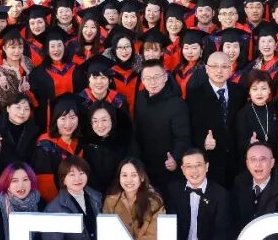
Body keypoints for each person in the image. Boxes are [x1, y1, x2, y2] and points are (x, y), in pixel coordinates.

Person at [164, 149, 233, 240]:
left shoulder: (221, 194)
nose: (194, 170)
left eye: (198, 165)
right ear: (182, 169)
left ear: (207, 167)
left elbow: (221, 233)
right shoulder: (173, 190)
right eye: (188, 166)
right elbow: (170, 229)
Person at [42, 155, 104, 240]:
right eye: (71, 174)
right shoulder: (53, 209)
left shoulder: (96, 198)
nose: (78, 178)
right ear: (63, 179)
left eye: (81, 173)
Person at [102, 158, 166, 240]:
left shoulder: (154, 201)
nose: (129, 180)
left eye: (134, 175)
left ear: (141, 177)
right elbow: (107, 235)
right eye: (124, 175)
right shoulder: (111, 201)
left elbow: (153, 239)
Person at [187, 51, 248, 186]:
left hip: (235, 160)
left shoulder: (239, 92)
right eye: (214, 66)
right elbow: (191, 127)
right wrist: (203, 141)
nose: (219, 71)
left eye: (224, 66)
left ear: (230, 69)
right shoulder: (195, 95)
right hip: (210, 160)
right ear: (207, 69)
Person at [133, 59, 191, 188]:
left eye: (156, 77)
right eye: (148, 78)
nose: (152, 82)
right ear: (142, 80)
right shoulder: (141, 98)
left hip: (166, 167)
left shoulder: (177, 104)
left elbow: (183, 138)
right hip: (144, 166)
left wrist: (175, 158)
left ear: (165, 77)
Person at [32, 94, 84, 201]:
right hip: (56, 203)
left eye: (73, 117)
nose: (68, 123)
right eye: (63, 118)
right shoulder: (45, 146)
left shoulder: (80, 142)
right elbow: (45, 185)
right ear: (55, 120)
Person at [80, 100, 134, 195]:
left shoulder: (124, 142)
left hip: (119, 194)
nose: (100, 125)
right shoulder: (86, 143)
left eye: (104, 120)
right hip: (93, 194)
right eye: (95, 121)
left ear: (112, 120)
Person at [234, 70, 278, 160]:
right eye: (255, 89)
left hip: (273, 161)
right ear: (249, 91)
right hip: (253, 162)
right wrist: (250, 142)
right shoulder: (242, 114)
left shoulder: (275, 110)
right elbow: (238, 145)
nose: (259, 93)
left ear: (269, 90)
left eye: (263, 88)